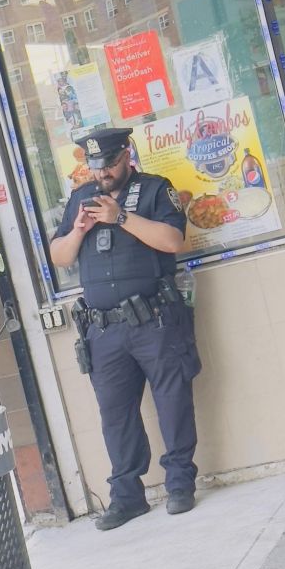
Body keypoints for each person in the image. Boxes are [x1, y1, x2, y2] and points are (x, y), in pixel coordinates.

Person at [50, 127, 201, 531]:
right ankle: (127, 496)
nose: (103, 173)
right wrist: (79, 229)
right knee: (115, 415)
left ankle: (180, 483)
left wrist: (122, 218)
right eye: (95, 165)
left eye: (110, 164)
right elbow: (59, 255)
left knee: (172, 402)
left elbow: (173, 241)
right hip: (104, 330)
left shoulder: (154, 189)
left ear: (126, 155)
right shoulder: (81, 198)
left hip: (154, 320)